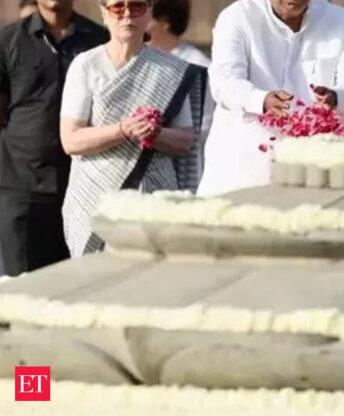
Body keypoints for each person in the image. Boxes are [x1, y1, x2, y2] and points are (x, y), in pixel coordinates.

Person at [59, 0, 206, 257]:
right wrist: (123, 130)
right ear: (105, 13)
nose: (127, 16)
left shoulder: (171, 69)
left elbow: (185, 140)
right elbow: (71, 140)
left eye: (137, 7)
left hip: (155, 197)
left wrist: (154, 133)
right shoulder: (86, 65)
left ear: (149, 12)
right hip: (96, 196)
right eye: (118, 8)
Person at [197, 0, 344, 196]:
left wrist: (337, 96)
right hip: (241, 175)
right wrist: (261, 100)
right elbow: (224, 82)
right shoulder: (237, 17)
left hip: (313, 177)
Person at [0, 0, 108, 276]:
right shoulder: (8, 40)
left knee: (75, 288)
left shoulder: (99, 40)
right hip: (22, 190)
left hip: (83, 189)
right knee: (23, 291)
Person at [147, 0, 214, 178]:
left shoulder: (197, 64)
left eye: (148, 15)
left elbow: (204, 125)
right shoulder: (142, 58)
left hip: (186, 169)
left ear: (165, 22)